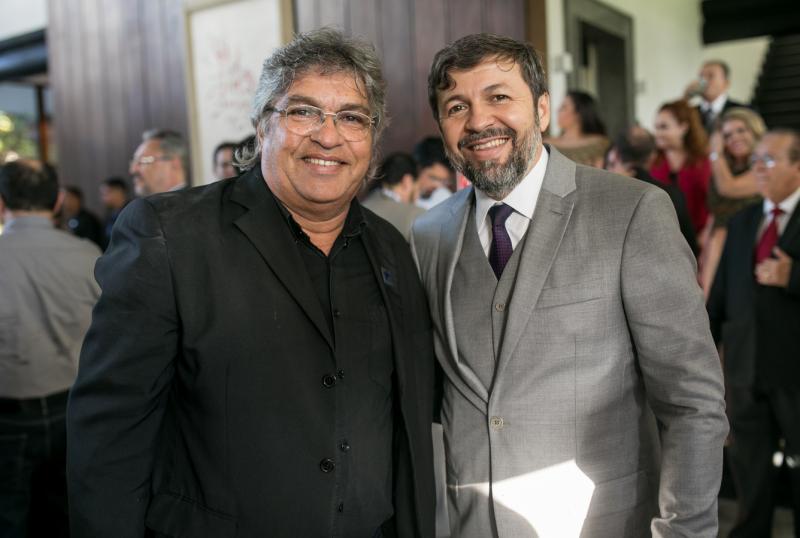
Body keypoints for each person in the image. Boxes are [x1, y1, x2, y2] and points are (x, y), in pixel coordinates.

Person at [67, 28, 435, 538]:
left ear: (372, 142)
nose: (328, 136)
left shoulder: (391, 247)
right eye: (303, 112)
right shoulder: (171, 235)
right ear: (262, 127)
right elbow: (110, 431)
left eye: (352, 117)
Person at [411, 33, 728, 537]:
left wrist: (683, 531)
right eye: (456, 107)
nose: (478, 121)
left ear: (541, 109)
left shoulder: (631, 211)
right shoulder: (428, 235)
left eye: (498, 96)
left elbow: (692, 402)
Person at [0, 160, 100, 538]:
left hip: (9, 414)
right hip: (77, 409)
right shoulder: (88, 254)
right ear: (58, 201)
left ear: (1, 203)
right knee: (69, 517)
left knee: (9, 518)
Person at [708, 129, 800, 538]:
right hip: (746, 369)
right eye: (757, 160)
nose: (758, 168)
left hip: (794, 371)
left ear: (798, 166)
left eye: (770, 160)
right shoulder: (743, 220)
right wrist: (705, 351)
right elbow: (721, 296)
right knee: (750, 468)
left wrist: (793, 276)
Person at [701, 107, 766, 295]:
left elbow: (729, 188)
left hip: (747, 242)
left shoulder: (764, 165)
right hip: (717, 241)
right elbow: (715, 210)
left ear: (755, 131)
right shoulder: (723, 167)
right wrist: (704, 249)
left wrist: (716, 153)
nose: (734, 138)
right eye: (727, 135)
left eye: (741, 130)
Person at [605, 126, 698, 255]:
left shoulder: (605, 196)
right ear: (652, 157)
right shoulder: (672, 195)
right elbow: (689, 247)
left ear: (615, 155)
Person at [651, 99, 711, 239]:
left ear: (683, 127)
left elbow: (713, 203)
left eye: (663, 127)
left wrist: (707, 234)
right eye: (656, 128)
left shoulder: (703, 161)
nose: (658, 133)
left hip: (699, 239)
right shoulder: (652, 162)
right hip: (662, 237)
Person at [361, 152, 425, 240]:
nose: (418, 196)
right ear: (407, 181)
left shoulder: (359, 209)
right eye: (419, 189)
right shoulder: (416, 215)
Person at [547, 90, 610, 167]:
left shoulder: (599, 145)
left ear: (578, 114)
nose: (558, 110)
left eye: (564, 107)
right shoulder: (546, 145)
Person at [686, 60, 748, 134]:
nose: (704, 81)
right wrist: (686, 97)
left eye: (710, 76)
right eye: (701, 77)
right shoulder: (691, 112)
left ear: (726, 83)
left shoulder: (743, 111)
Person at [129, 128, 189, 196]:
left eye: (144, 160)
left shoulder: (193, 201)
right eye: (134, 161)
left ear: (175, 163)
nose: (133, 170)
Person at [412, 137, 455, 210]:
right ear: (418, 169)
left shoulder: (444, 199)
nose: (438, 185)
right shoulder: (398, 198)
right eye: (433, 178)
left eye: (444, 181)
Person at [99, 176, 130, 247]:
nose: (102, 198)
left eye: (105, 194)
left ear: (118, 192)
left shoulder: (132, 213)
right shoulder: (110, 214)